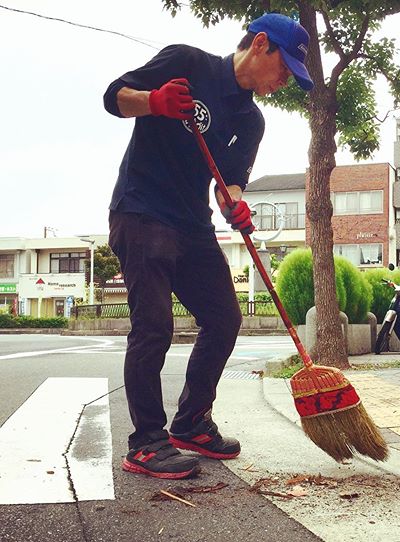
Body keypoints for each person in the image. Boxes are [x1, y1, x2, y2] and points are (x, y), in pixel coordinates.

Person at [103, 13, 313, 479]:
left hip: (192, 224)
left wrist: (235, 206)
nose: (282, 83)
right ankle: (146, 443)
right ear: (261, 44)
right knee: (153, 326)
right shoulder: (187, 63)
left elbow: (230, 183)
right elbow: (114, 97)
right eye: (284, 70)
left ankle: (192, 422)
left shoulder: (251, 120)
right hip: (142, 211)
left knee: (224, 318)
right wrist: (153, 101)